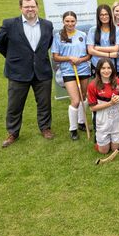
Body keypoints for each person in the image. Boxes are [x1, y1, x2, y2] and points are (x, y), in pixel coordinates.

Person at [0, 0, 55, 147]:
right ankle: (13, 133)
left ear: (37, 7)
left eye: (33, 6)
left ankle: (45, 128)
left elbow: (47, 44)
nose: (30, 9)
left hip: (42, 71)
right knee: (15, 104)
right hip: (18, 72)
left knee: (44, 103)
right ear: (21, 8)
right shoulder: (9, 24)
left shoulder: (47, 25)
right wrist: (12, 58)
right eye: (27, 6)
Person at [51, 11, 91, 140]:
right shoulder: (58, 37)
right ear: (63, 22)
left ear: (76, 21)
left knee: (83, 96)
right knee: (75, 100)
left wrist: (81, 60)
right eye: (67, 21)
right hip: (69, 71)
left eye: (72, 21)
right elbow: (55, 57)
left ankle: (81, 122)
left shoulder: (83, 35)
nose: (70, 24)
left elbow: (89, 54)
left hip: (83, 70)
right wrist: (69, 58)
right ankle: (73, 129)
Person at [87, 58, 119, 154]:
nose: (106, 71)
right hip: (102, 119)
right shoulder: (92, 85)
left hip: (117, 118)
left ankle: (118, 136)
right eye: (103, 68)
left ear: (112, 69)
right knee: (103, 151)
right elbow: (92, 108)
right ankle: (99, 140)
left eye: (109, 68)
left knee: (115, 149)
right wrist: (110, 103)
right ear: (98, 70)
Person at [87, 4, 119, 73]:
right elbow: (90, 51)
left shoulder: (117, 30)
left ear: (110, 15)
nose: (104, 17)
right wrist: (109, 55)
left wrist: (98, 48)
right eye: (101, 15)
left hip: (112, 66)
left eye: (106, 14)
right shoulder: (92, 30)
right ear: (98, 16)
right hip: (97, 65)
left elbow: (116, 48)